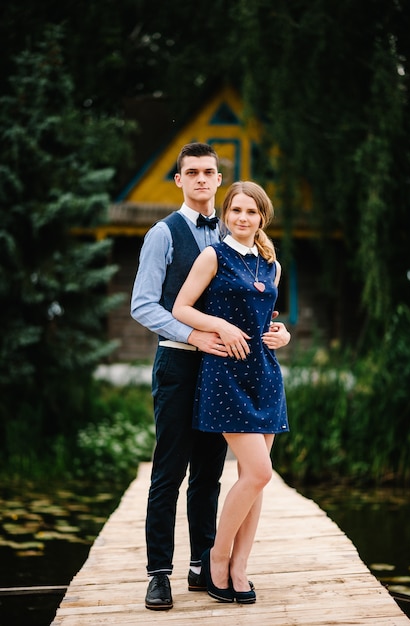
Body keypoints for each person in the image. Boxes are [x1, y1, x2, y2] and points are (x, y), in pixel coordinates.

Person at [172, 180, 291, 604]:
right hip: (225, 374)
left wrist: (283, 334)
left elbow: (270, 319)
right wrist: (218, 325)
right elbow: (181, 308)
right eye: (236, 210)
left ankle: (240, 567)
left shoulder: (270, 263)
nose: (243, 218)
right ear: (226, 215)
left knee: (252, 480)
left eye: (252, 212)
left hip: (265, 375)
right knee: (260, 472)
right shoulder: (212, 256)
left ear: (262, 217)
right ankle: (215, 560)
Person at [131, 142, 231, 611]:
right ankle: (158, 574)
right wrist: (193, 337)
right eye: (191, 172)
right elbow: (143, 305)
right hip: (177, 362)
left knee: (210, 472)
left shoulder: (233, 233)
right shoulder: (162, 234)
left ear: (218, 178)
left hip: (221, 368)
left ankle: (202, 566)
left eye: (208, 172)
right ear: (179, 180)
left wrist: (278, 330)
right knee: (169, 472)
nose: (201, 180)